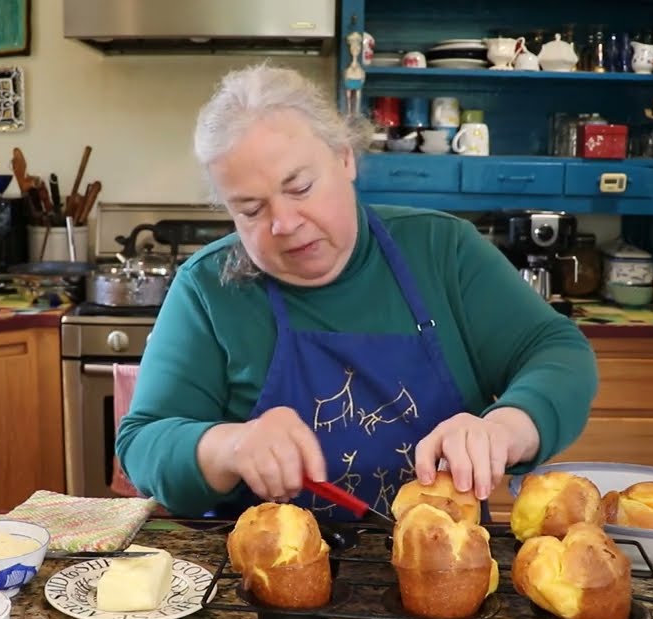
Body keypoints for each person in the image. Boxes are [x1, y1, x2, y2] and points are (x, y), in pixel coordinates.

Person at [115, 64, 598, 521]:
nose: (284, 224)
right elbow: (143, 444)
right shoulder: (207, 287)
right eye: (250, 210)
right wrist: (228, 446)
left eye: (300, 187)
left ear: (345, 158)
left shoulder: (441, 249)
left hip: (449, 572)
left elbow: (556, 351)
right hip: (260, 588)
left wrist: (504, 430)